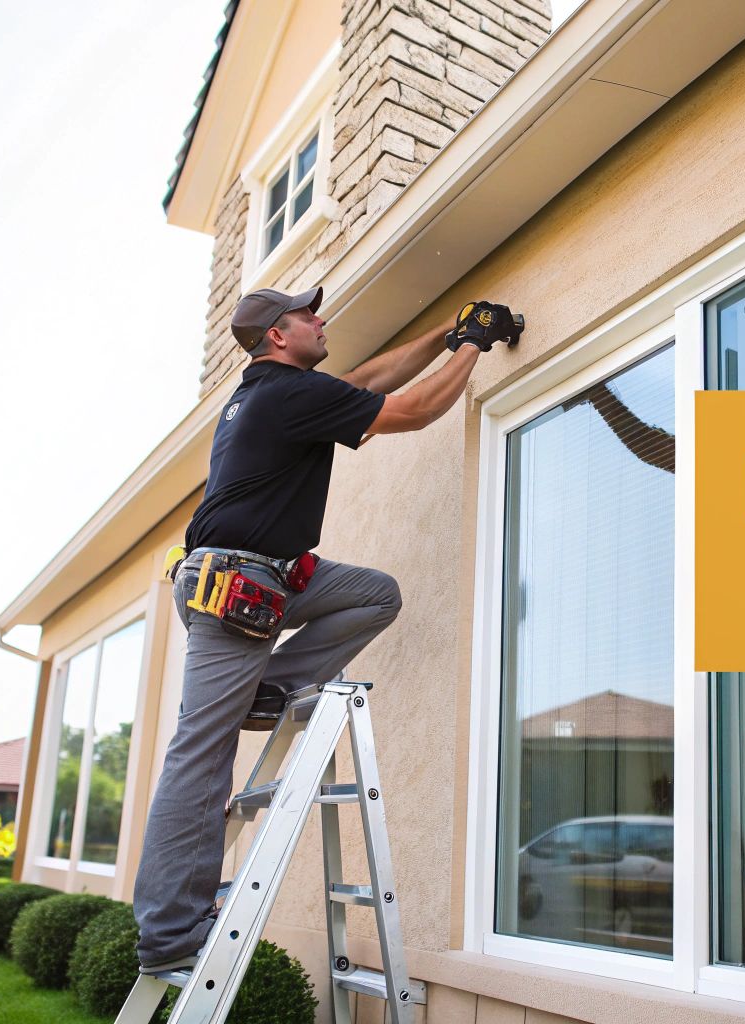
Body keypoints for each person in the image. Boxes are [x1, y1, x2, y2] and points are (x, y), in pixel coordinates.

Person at [133, 285, 517, 972]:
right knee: (201, 756)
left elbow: (367, 381)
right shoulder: (287, 394)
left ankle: (263, 691)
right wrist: (472, 345)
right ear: (279, 336)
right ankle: (169, 932)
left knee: (373, 595)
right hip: (236, 587)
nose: (320, 318)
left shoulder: (273, 392)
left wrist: (444, 331)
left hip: (264, 578)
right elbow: (415, 409)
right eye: (306, 314)